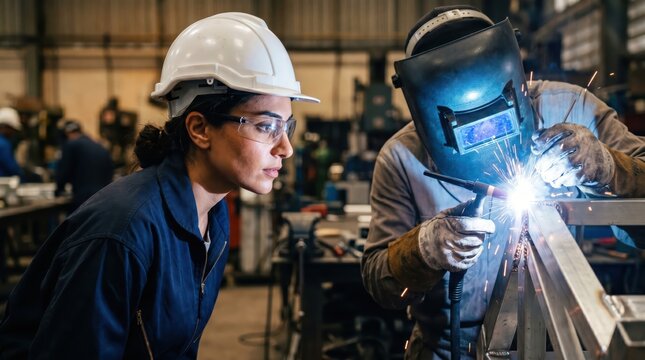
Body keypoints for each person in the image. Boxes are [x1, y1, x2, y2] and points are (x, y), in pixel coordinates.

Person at [0, 12, 318, 358]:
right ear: (199, 129)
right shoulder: (122, 234)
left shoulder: (212, 219)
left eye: (287, 127)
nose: (285, 148)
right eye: (265, 126)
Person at [361, 5, 645, 359]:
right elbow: (379, 282)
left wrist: (607, 166)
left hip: (557, 339)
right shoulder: (402, 157)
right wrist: (424, 249)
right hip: (447, 348)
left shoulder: (573, 109)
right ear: (427, 110)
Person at [55, 119, 114, 212]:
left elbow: (64, 171)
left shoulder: (71, 145)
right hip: (103, 199)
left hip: (83, 200)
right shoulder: (100, 147)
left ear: (67, 134)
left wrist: (58, 190)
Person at [0, 107, 23, 178]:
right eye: (12, 129)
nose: (13, 133)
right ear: (5, 127)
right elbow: (12, 168)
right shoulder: (3, 144)